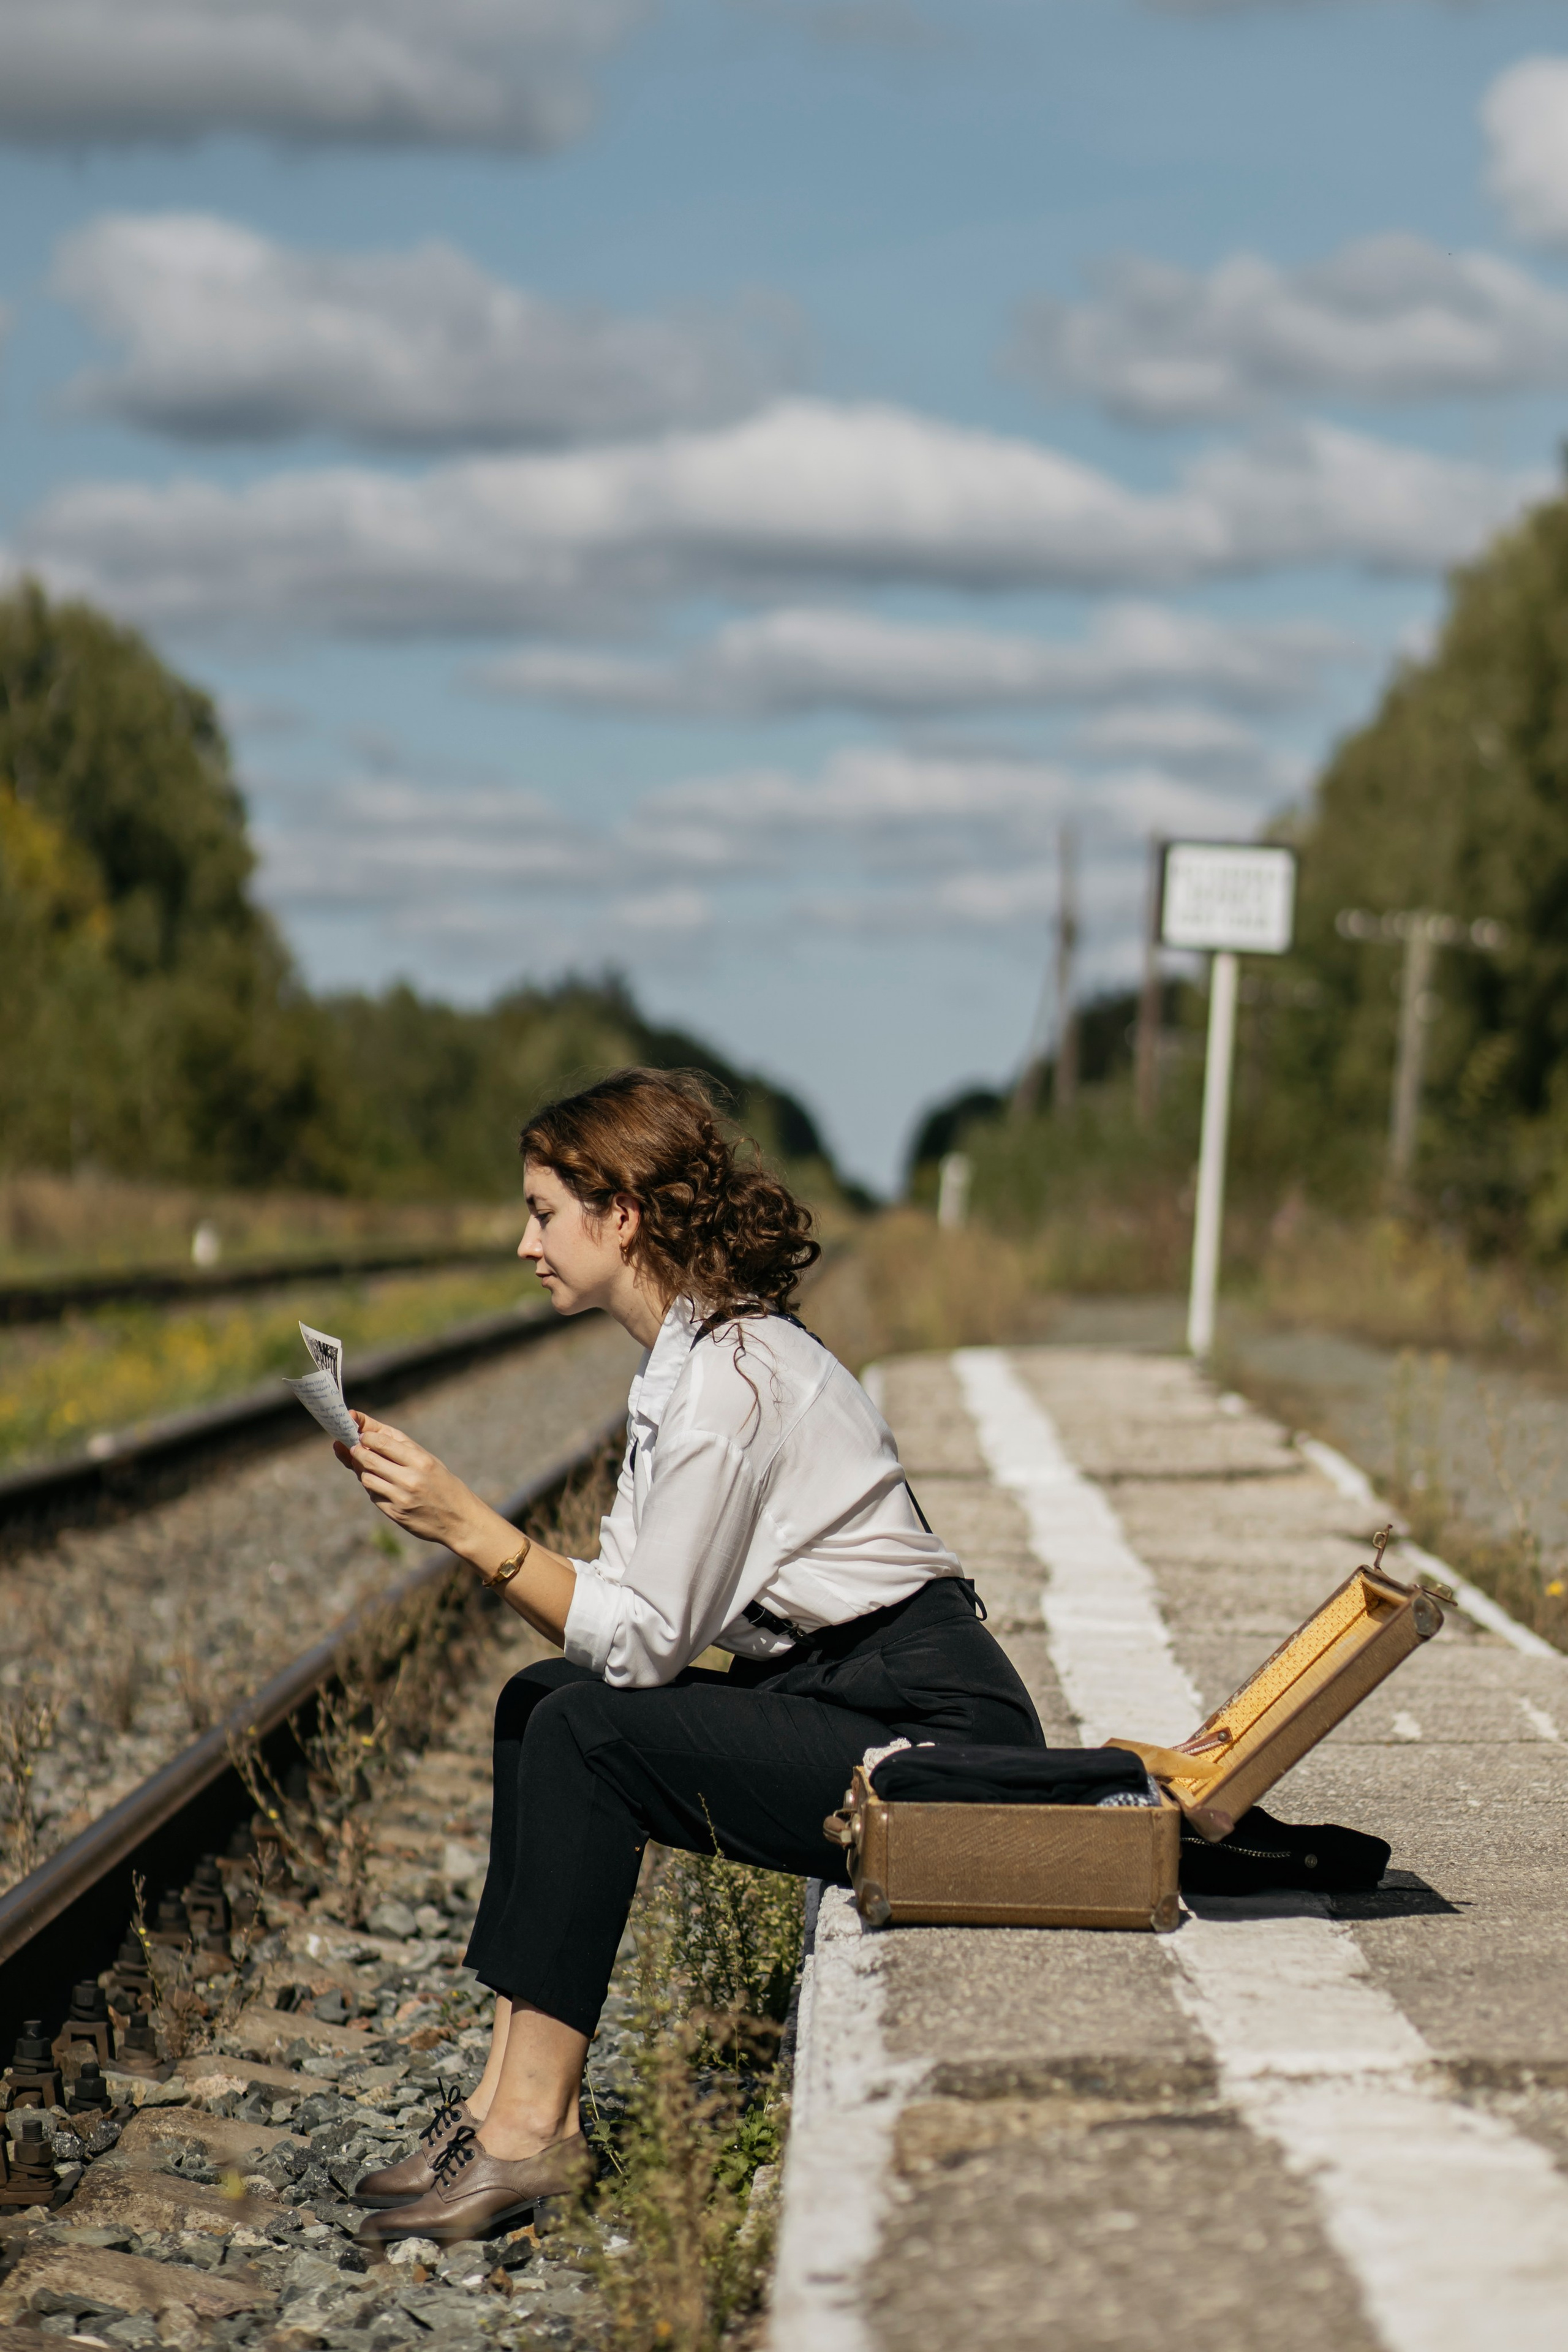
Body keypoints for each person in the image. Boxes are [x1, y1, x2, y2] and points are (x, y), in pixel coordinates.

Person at [337, 1067, 1044, 2245]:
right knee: (538, 1701)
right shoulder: (686, 1365)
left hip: (931, 1730)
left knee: (587, 1731)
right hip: (842, 1692)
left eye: (543, 1212)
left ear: (620, 1216)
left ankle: (531, 2138)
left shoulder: (733, 1383)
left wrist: (468, 1525)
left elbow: (644, 1649)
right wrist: (470, 1536)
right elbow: (609, 1615)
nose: (526, 1243)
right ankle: (504, 2099)